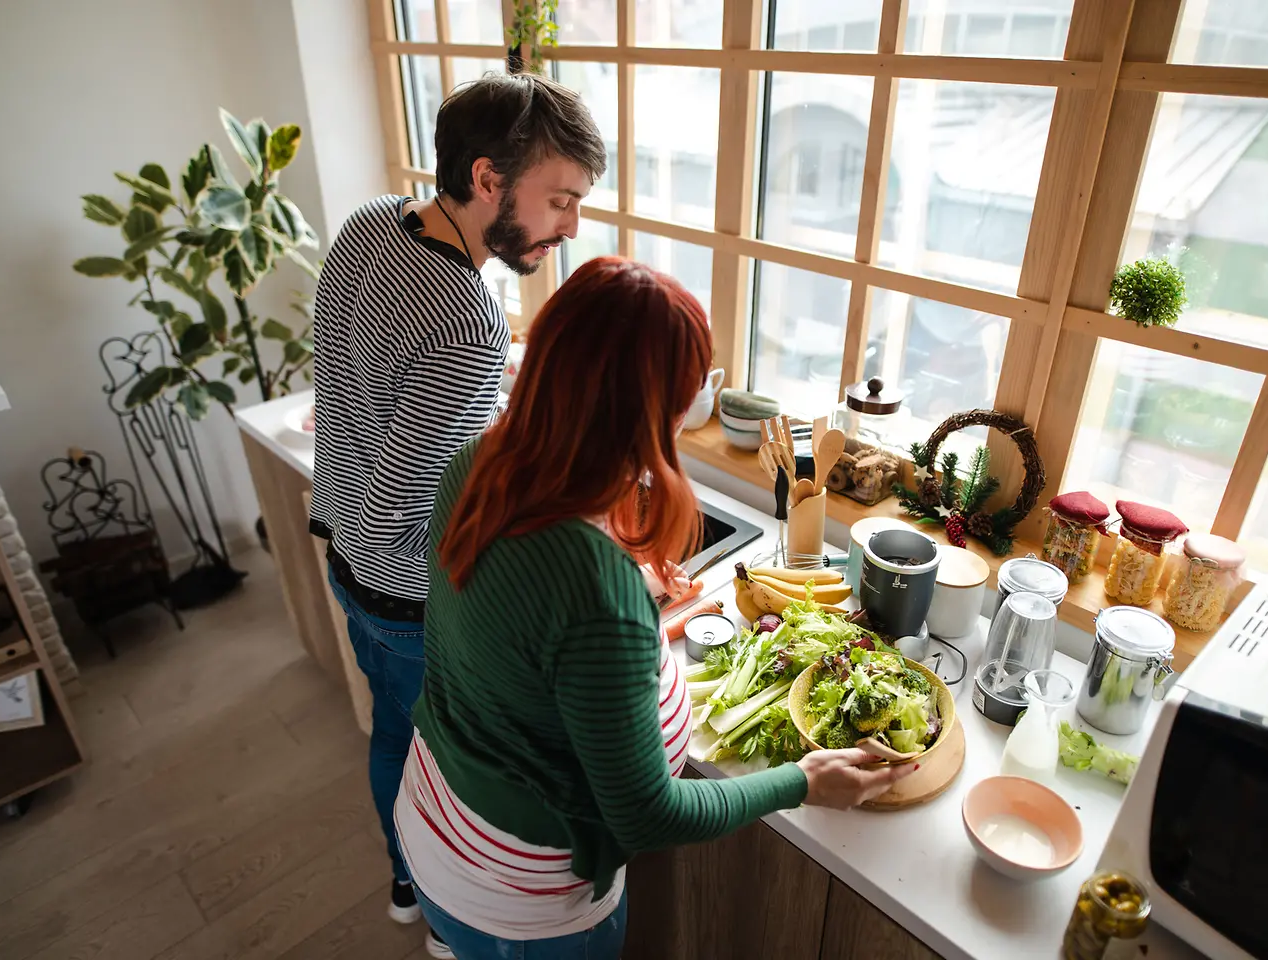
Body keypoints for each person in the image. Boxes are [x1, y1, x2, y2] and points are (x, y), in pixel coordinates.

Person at [394, 257, 916, 960]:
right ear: (658, 415)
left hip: (436, 813)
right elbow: (645, 818)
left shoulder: (479, 460)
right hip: (523, 900)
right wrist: (802, 782)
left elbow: (508, 625)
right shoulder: (594, 591)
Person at [308, 71, 606, 959]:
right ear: (486, 181)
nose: (571, 228)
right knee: (426, 758)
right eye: (559, 201)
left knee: (388, 729)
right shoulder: (468, 320)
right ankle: (442, 912)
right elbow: (413, 498)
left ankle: (405, 885)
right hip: (405, 595)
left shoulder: (372, 221)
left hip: (345, 550)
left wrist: (478, 409)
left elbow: (362, 378)